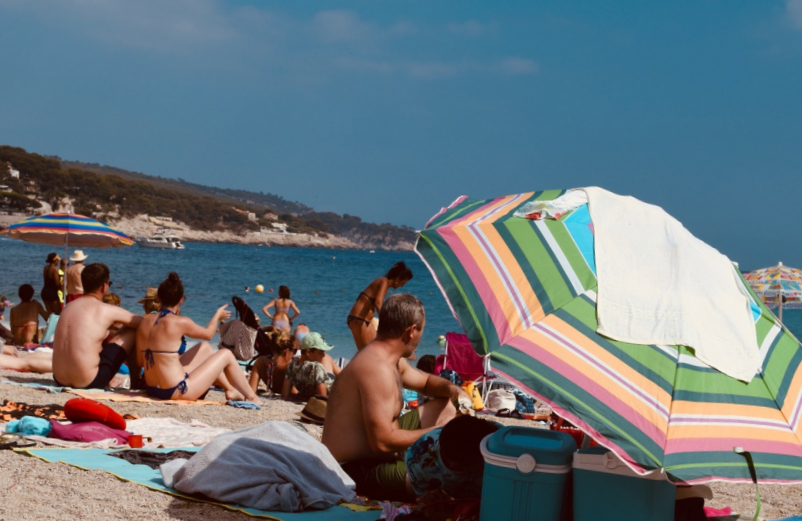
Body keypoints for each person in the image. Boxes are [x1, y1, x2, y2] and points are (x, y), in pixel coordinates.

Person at [323, 293, 467, 501]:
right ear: (411, 331)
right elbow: (381, 443)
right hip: (355, 468)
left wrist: (456, 392)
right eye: (421, 330)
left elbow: (426, 382)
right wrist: (441, 433)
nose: (420, 338)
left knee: (447, 406)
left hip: (380, 450)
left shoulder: (390, 360)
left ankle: (438, 457)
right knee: (440, 481)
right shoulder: (376, 368)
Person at [139, 272, 259, 403]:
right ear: (181, 300)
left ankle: (229, 389)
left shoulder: (145, 322)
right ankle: (252, 397)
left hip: (152, 388)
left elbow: (140, 361)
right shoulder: (179, 322)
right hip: (176, 390)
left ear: (158, 298)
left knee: (204, 348)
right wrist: (217, 316)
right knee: (226, 353)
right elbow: (208, 334)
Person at [52, 263, 143, 389]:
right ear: (104, 286)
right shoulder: (106, 309)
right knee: (131, 329)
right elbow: (143, 322)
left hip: (59, 378)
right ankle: (135, 383)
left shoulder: (68, 307)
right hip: (88, 381)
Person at [405, 415, 500, 504]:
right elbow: (422, 500)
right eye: (479, 465)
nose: (483, 466)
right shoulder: (418, 459)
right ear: (453, 466)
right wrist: (427, 499)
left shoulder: (498, 440)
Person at [347, 261, 413, 350]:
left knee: (376, 349)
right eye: (403, 283)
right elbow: (378, 303)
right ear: (397, 279)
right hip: (358, 319)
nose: (402, 286)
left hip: (365, 321)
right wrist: (385, 322)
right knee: (367, 353)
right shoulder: (384, 281)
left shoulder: (384, 284)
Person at [282, 332, 335, 400]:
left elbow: (284, 395)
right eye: (320, 352)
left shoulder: (291, 366)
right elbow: (322, 398)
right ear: (308, 352)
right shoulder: (316, 367)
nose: (323, 355)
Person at [248, 327, 296, 394]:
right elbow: (294, 393)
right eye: (294, 351)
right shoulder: (291, 366)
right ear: (287, 352)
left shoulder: (261, 362)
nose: (294, 354)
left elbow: (251, 391)